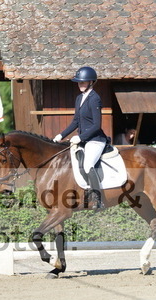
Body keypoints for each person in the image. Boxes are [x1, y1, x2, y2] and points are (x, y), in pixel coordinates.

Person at [53, 66, 107, 210]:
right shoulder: (79, 98)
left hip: (96, 140)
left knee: (88, 164)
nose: (80, 84)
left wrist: (80, 137)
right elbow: (76, 121)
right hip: (84, 140)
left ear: (91, 82)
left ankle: (98, 199)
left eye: (83, 82)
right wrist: (61, 135)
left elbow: (96, 125)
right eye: (79, 82)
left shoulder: (95, 99)